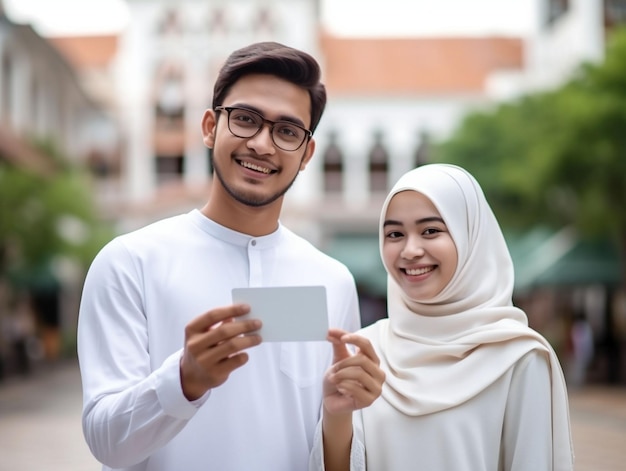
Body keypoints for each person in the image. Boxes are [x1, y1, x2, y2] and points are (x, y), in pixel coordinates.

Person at [77, 41, 383, 471]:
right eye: (245, 120)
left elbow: (329, 448)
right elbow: (107, 443)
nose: (262, 144)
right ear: (209, 127)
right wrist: (183, 382)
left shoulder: (330, 279)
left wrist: (341, 414)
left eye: (288, 131)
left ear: (307, 153)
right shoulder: (131, 263)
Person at [312, 163, 574, 470]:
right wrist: (336, 414)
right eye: (395, 233)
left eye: (431, 231)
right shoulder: (367, 351)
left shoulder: (518, 357)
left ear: (471, 237)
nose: (410, 250)